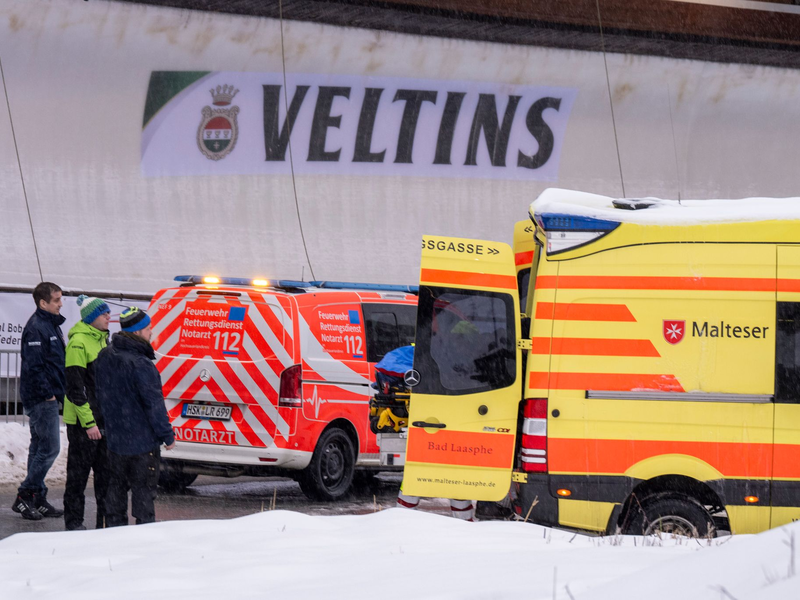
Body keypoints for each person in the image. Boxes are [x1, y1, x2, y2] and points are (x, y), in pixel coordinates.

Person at [95, 307, 175, 526]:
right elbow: (154, 405)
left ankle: (113, 534)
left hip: (115, 440)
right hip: (142, 444)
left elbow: (99, 394)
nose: (151, 333)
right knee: (143, 499)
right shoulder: (142, 364)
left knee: (115, 493)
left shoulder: (105, 355)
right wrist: (167, 435)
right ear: (138, 332)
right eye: (148, 328)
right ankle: (142, 544)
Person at [12, 282, 66, 520]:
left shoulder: (50, 325)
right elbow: (34, 366)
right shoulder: (37, 327)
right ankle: (25, 495)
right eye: (56, 300)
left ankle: (38, 497)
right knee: (50, 449)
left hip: (46, 396)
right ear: (43, 303)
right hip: (41, 398)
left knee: (38, 449)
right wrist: (48, 394)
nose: (60, 304)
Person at [62, 295, 111, 530]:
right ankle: (74, 526)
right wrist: (89, 424)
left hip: (102, 420)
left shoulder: (103, 341)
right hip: (84, 424)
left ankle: (103, 525)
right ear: (91, 318)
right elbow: (75, 388)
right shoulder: (78, 343)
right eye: (103, 314)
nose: (108, 317)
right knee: (78, 479)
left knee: (105, 478)